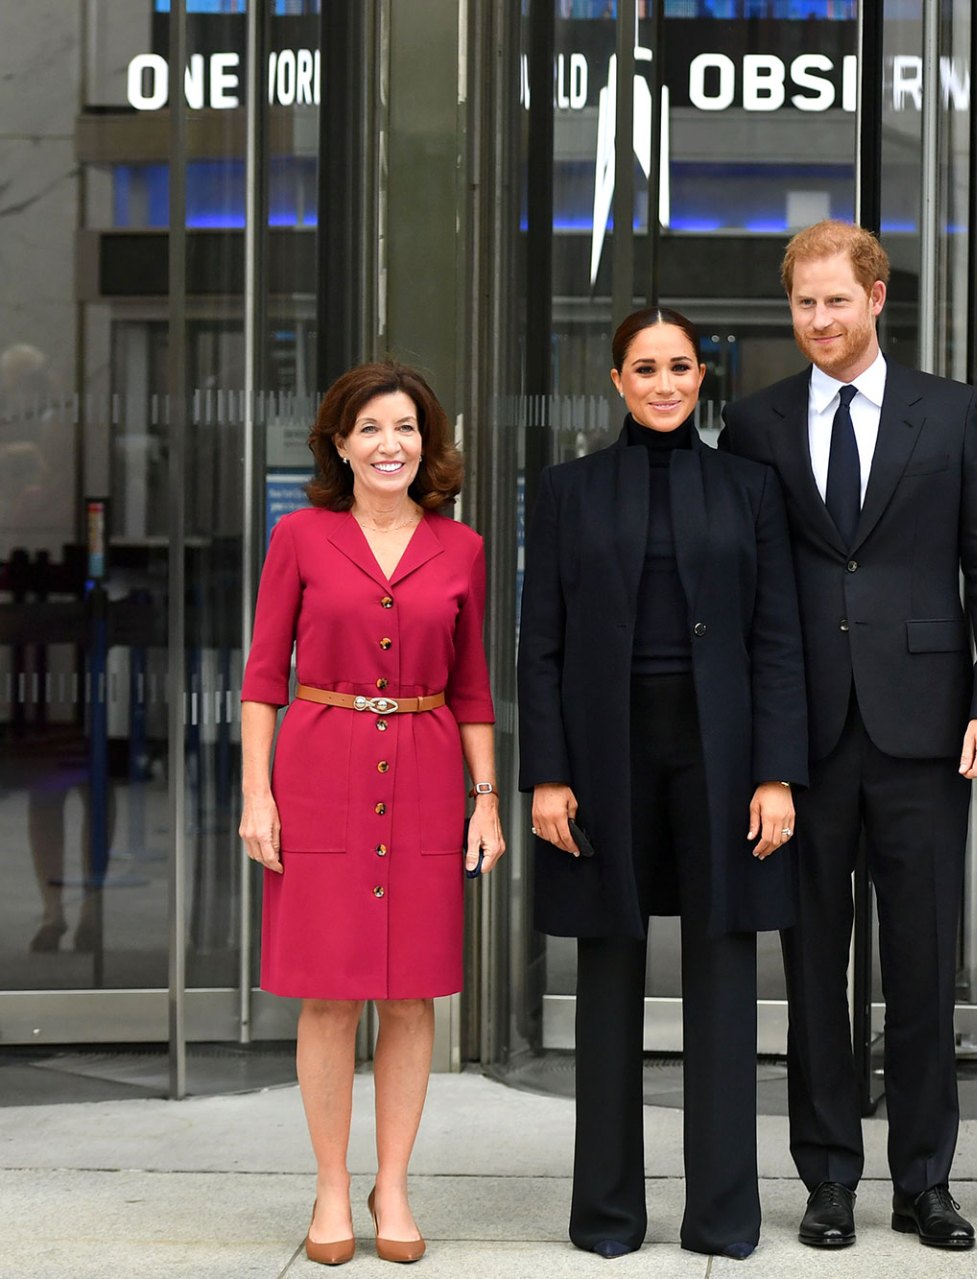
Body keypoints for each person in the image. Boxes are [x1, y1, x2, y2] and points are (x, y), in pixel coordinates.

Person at [719, 220, 977, 1252]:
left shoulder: (952, 411)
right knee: (812, 967)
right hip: (800, 736)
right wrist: (758, 745)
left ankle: (925, 1181)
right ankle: (828, 1178)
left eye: (835, 301)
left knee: (923, 965)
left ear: (876, 298)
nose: (818, 320)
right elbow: (747, 587)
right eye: (803, 303)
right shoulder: (753, 423)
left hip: (924, 728)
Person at [518, 308, 808, 1260]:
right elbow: (540, 642)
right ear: (616, 381)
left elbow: (777, 639)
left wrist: (776, 772)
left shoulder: (748, 487)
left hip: (721, 755)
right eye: (644, 368)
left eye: (679, 366)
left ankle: (722, 1216)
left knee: (723, 972)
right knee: (607, 972)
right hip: (602, 757)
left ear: (701, 376)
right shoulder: (565, 490)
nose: (664, 383)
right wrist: (546, 773)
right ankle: (607, 1216)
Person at [239, 361, 503, 1267]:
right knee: (328, 992)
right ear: (340, 445)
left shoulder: (461, 548)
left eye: (407, 428)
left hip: (426, 773)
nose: (391, 444)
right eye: (371, 429)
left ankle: (392, 1184)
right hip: (319, 771)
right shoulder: (300, 536)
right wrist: (257, 794)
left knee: (410, 993)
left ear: (427, 443)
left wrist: (485, 802)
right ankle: (328, 1186)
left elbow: (472, 689)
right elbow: (262, 678)